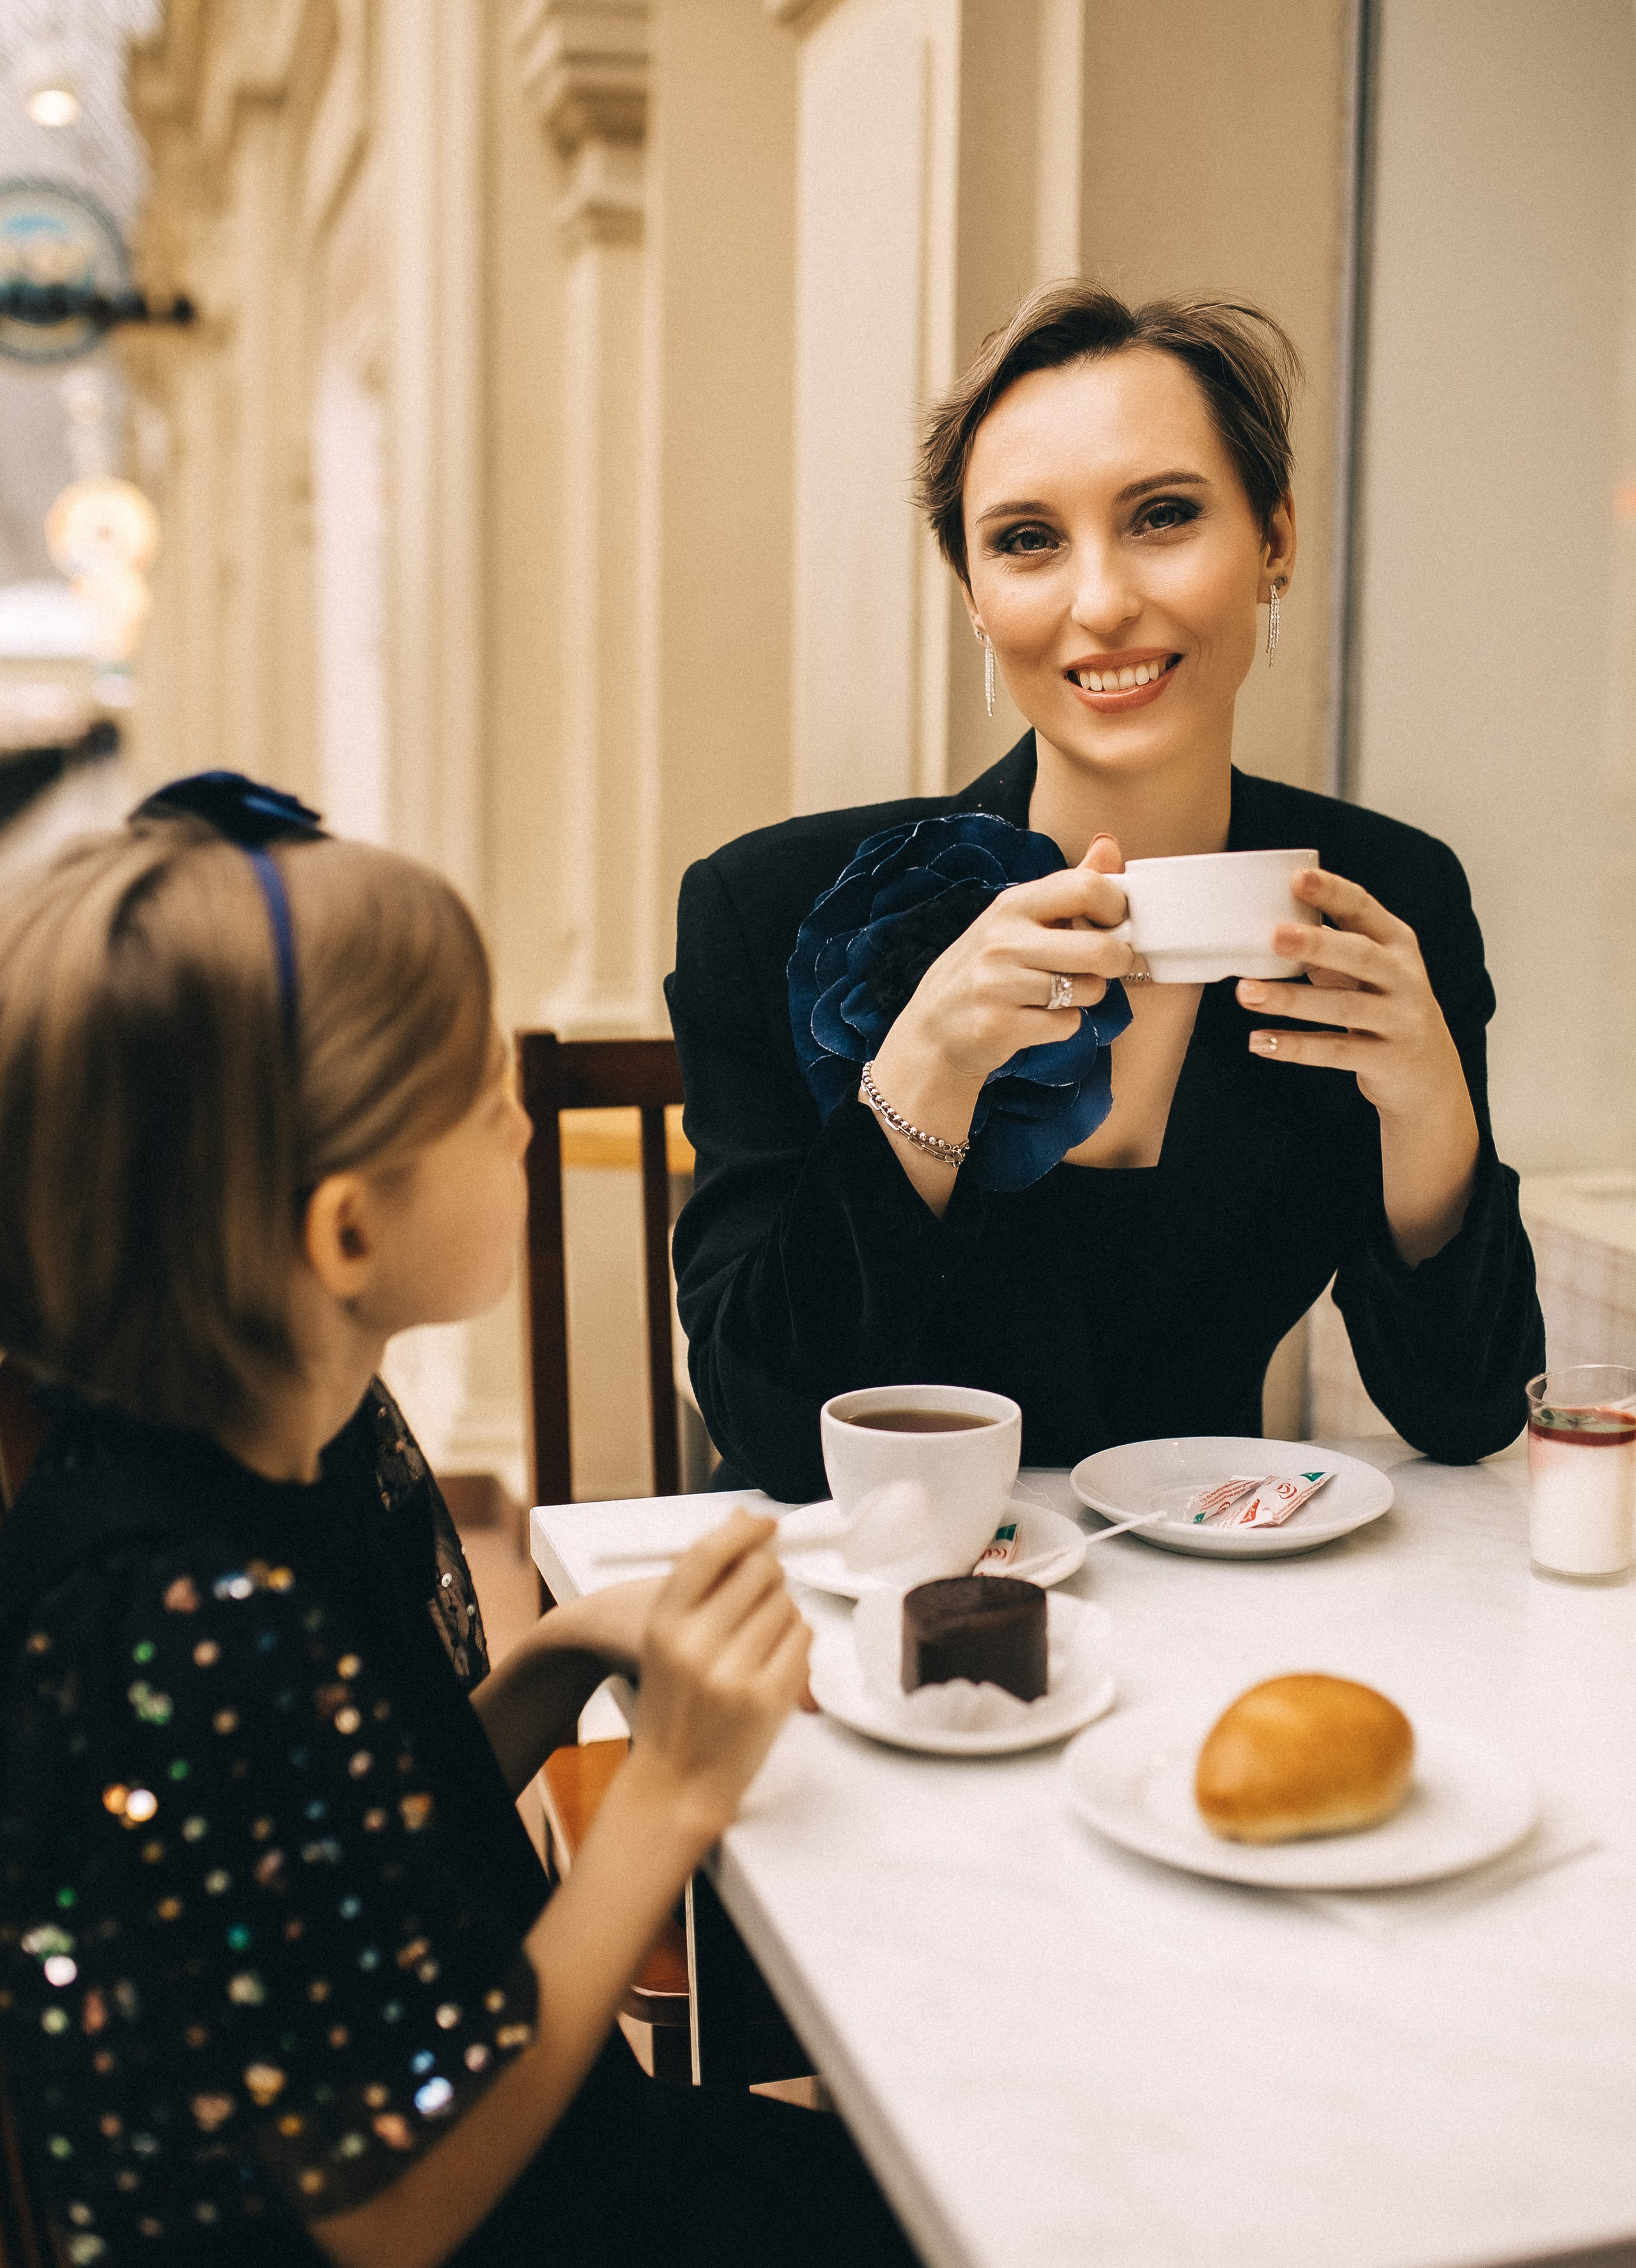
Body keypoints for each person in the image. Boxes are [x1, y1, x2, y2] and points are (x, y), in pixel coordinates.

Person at [0, 773, 915, 2268]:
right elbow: (392, 2201)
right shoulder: (178, 1599)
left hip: (542, 2158)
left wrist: (556, 1665)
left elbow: (336, 1843)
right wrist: (672, 1789)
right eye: (483, 1095)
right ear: (344, 1230)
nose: (521, 1120)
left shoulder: (256, 1458)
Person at [667, 281, 1543, 1501]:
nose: (1099, 602)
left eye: (1164, 516)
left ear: (1274, 540)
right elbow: (768, 1434)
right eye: (1027, 541)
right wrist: (922, 1075)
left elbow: (1466, 1412)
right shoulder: (769, 910)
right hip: (870, 1614)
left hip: (1218, 1602)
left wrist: (1434, 1128)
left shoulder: (1385, 903)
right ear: (976, 592)